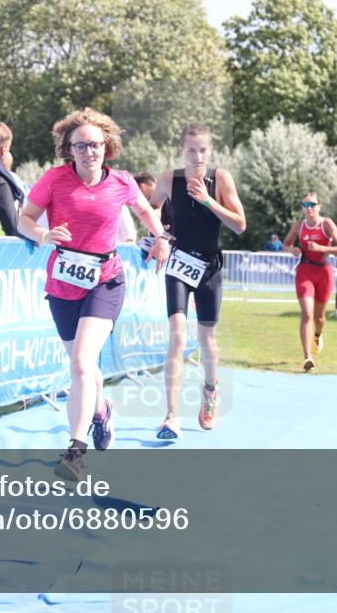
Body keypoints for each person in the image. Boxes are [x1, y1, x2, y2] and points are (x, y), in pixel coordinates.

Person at [17, 108, 169, 481]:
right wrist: (43, 235)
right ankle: (101, 413)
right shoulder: (54, 180)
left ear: (108, 146)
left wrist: (161, 239)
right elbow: (25, 219)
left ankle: (75, 453)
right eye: (80, 146)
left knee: (84, 362)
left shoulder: (121, 181)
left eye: (95, 145)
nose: (89, 152)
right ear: (69, 150)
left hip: (106, 280)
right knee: (83, 368)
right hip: (63, 283)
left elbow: (147, 212)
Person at [149, 123, 246, 439]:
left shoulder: (220, 179)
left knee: (207, 340)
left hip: (209, 268)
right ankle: (171, 416)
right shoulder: (167, 180)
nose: (197, 156)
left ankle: (210, 392)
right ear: (181, 150)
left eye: (203, 150)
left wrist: (208, 201)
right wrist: (160, 237)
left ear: (210, 150)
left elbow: (240, 225)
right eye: (191, 149)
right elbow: (150, 212)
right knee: (177, 335)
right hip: (178, 264)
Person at [283, 193, 337, 372]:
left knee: (319, 317)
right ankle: (307, 357)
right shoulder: (298, 225)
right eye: (305, 205)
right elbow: (285, 244)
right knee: (307, 314)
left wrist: (322, 248)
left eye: (312, 204)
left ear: (319, 206)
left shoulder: (327, 224)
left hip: (324, 272)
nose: (309, 208)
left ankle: (318, 335)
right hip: (305, 271)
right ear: (302, 208)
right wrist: (292, 249)